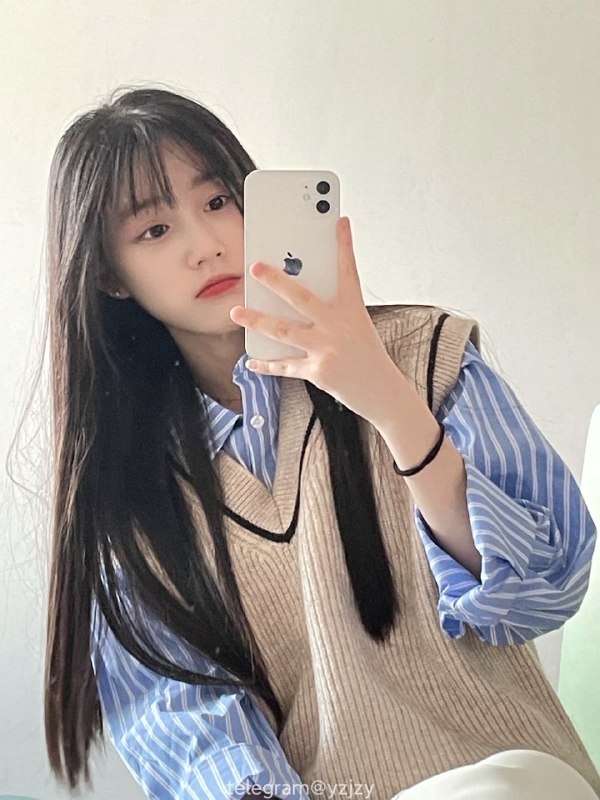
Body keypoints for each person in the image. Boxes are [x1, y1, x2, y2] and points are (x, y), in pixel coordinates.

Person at [41, 86, 600, 800]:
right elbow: (187, 727)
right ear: (108, 277)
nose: (205, 244)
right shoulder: (131, 495)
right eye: (154, 230)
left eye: (218, 201)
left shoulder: (426, 355)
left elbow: (542, 591)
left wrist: (392, 403)